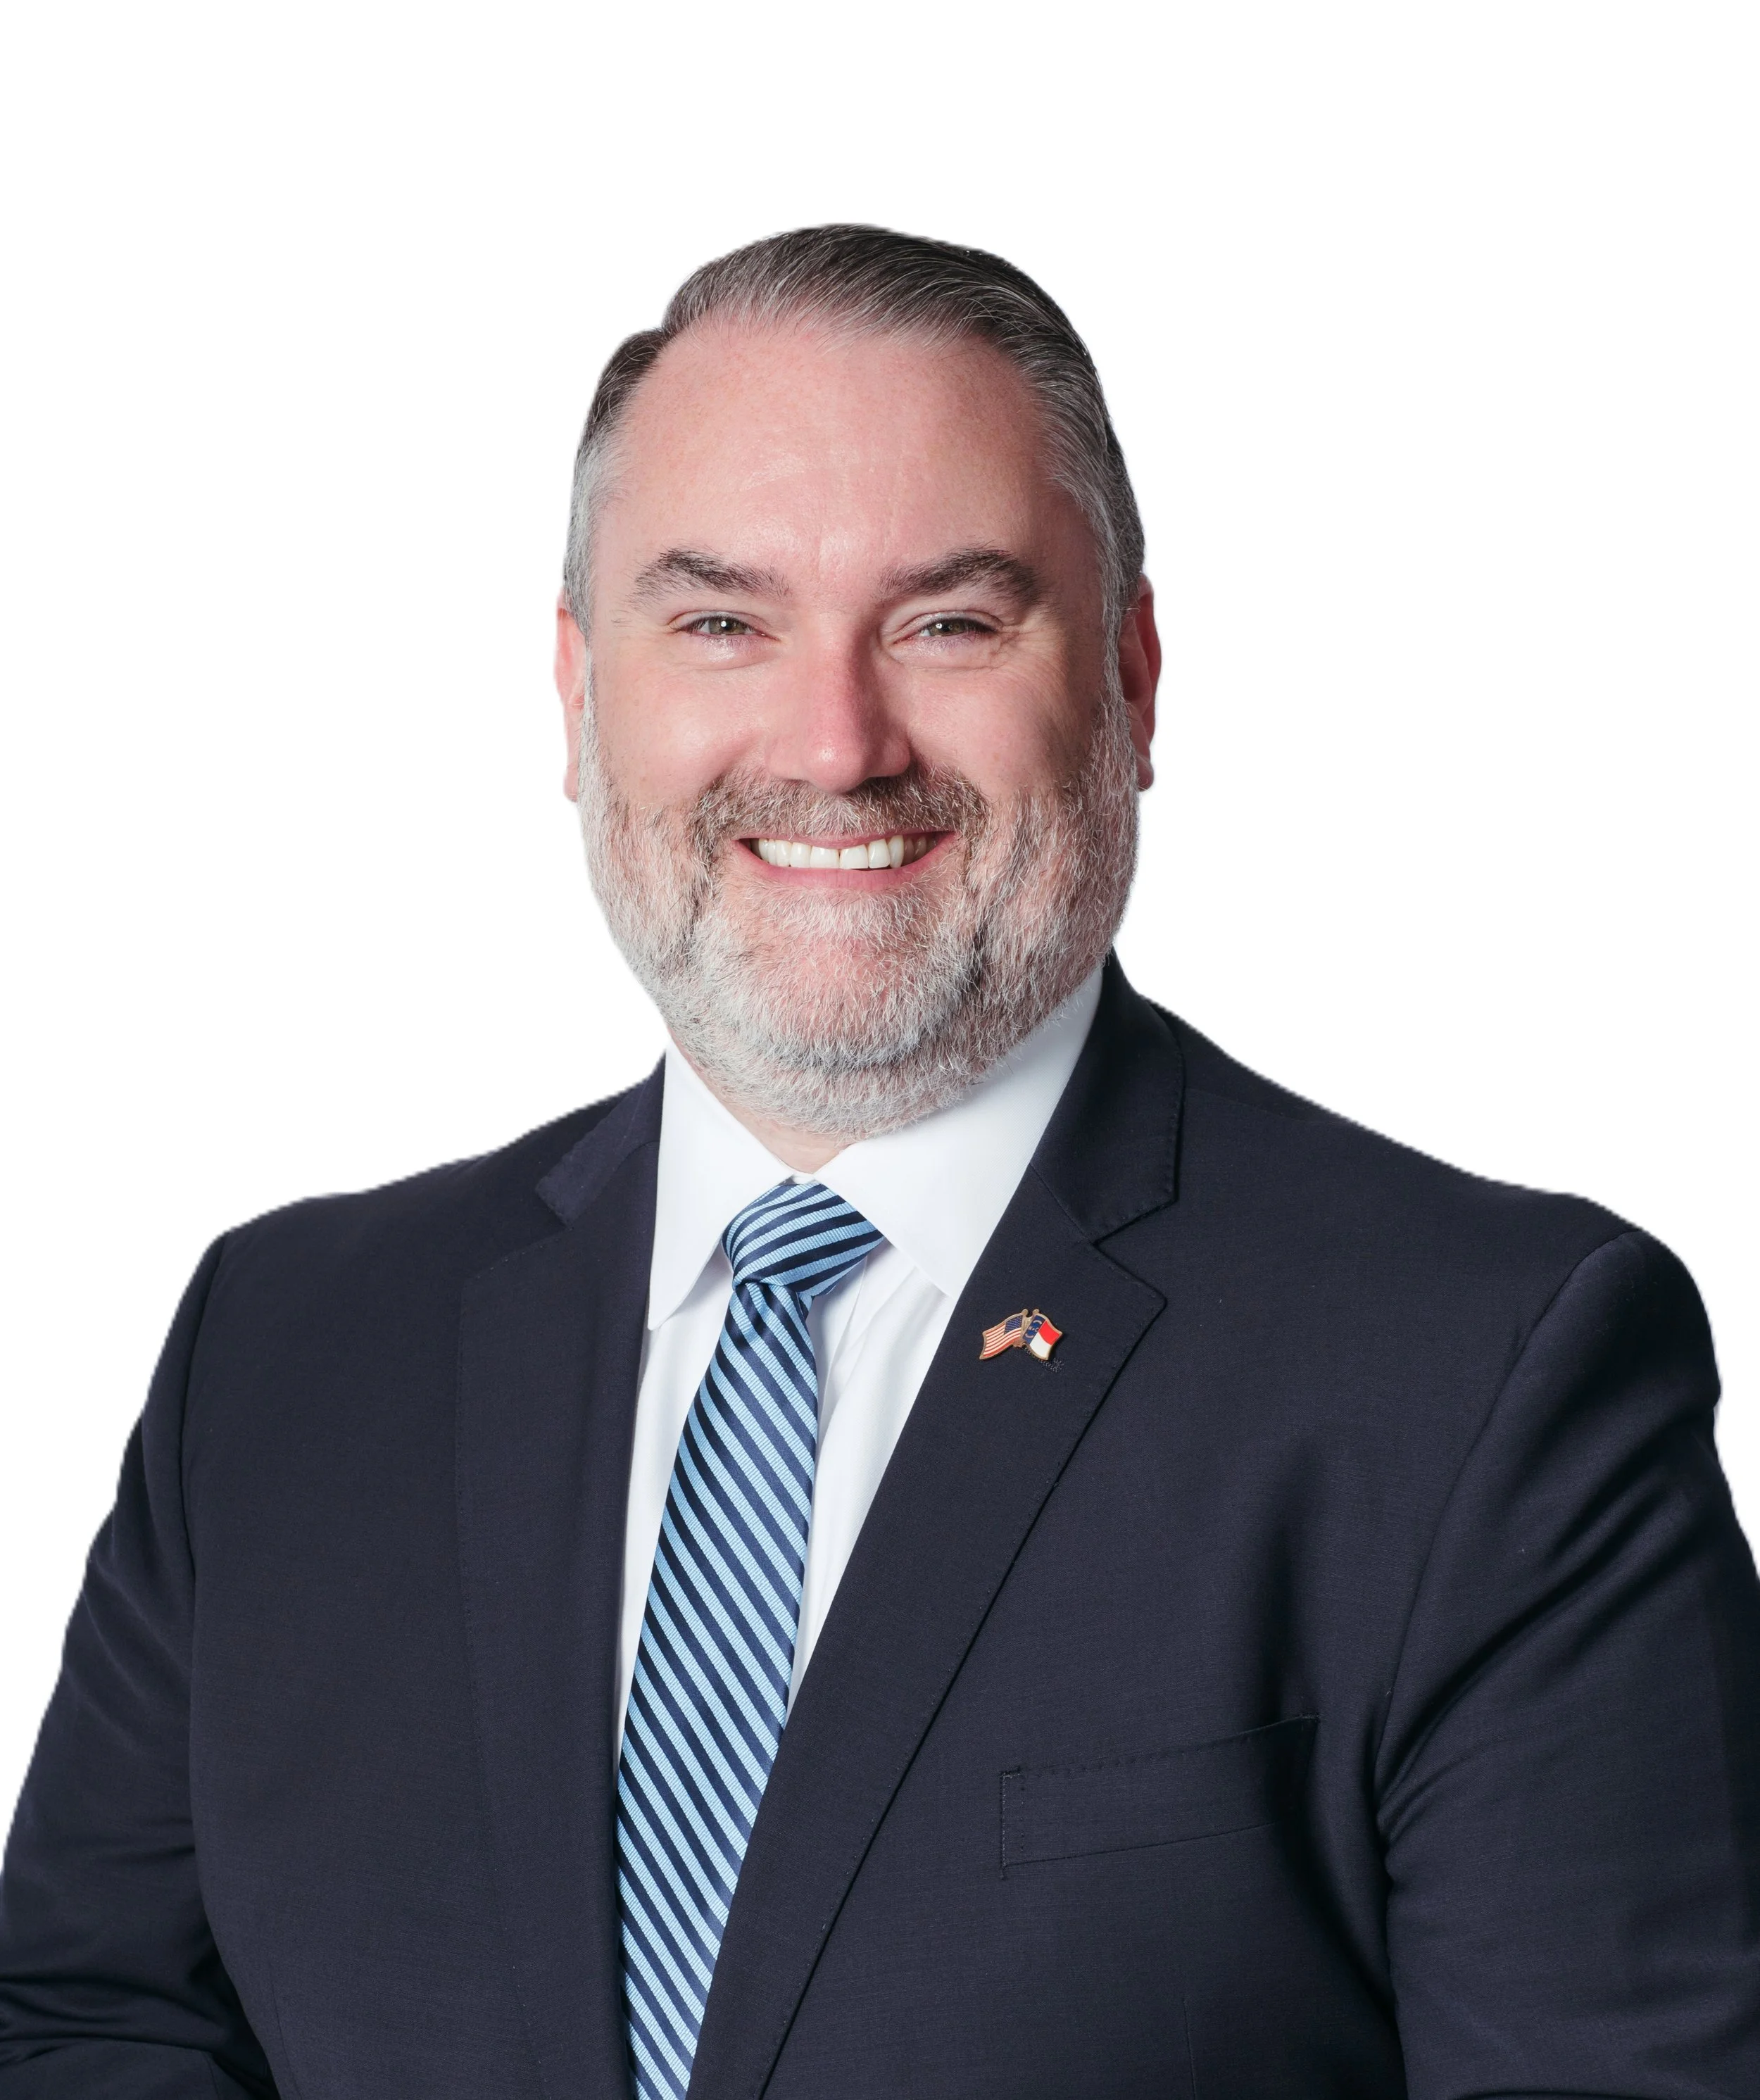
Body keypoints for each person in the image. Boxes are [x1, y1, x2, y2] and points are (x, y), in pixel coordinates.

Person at [1, 224, 1756, 2100]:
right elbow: (86, 2021)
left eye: (948, 620)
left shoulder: (1486, 1374)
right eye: (721, 622)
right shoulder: (285, 1346)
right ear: (579, 693)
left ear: (1133, 677)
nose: (833, 745)